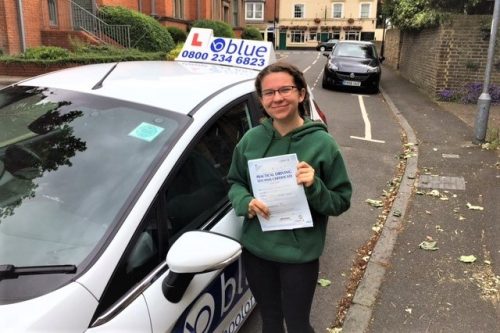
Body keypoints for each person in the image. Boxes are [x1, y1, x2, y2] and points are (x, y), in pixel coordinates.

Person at [227, 62, 352, 333]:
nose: (278, 98)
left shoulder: (322, 144)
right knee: (270, 322)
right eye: (269, 93)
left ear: (301, 94)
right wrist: (244, 201)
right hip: (258, 251)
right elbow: (235, 182)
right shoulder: (250, 140)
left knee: (297, 324)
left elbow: (341, 201)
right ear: (261, 99)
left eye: (285, 89)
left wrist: (315, 186)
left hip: (299, 255)